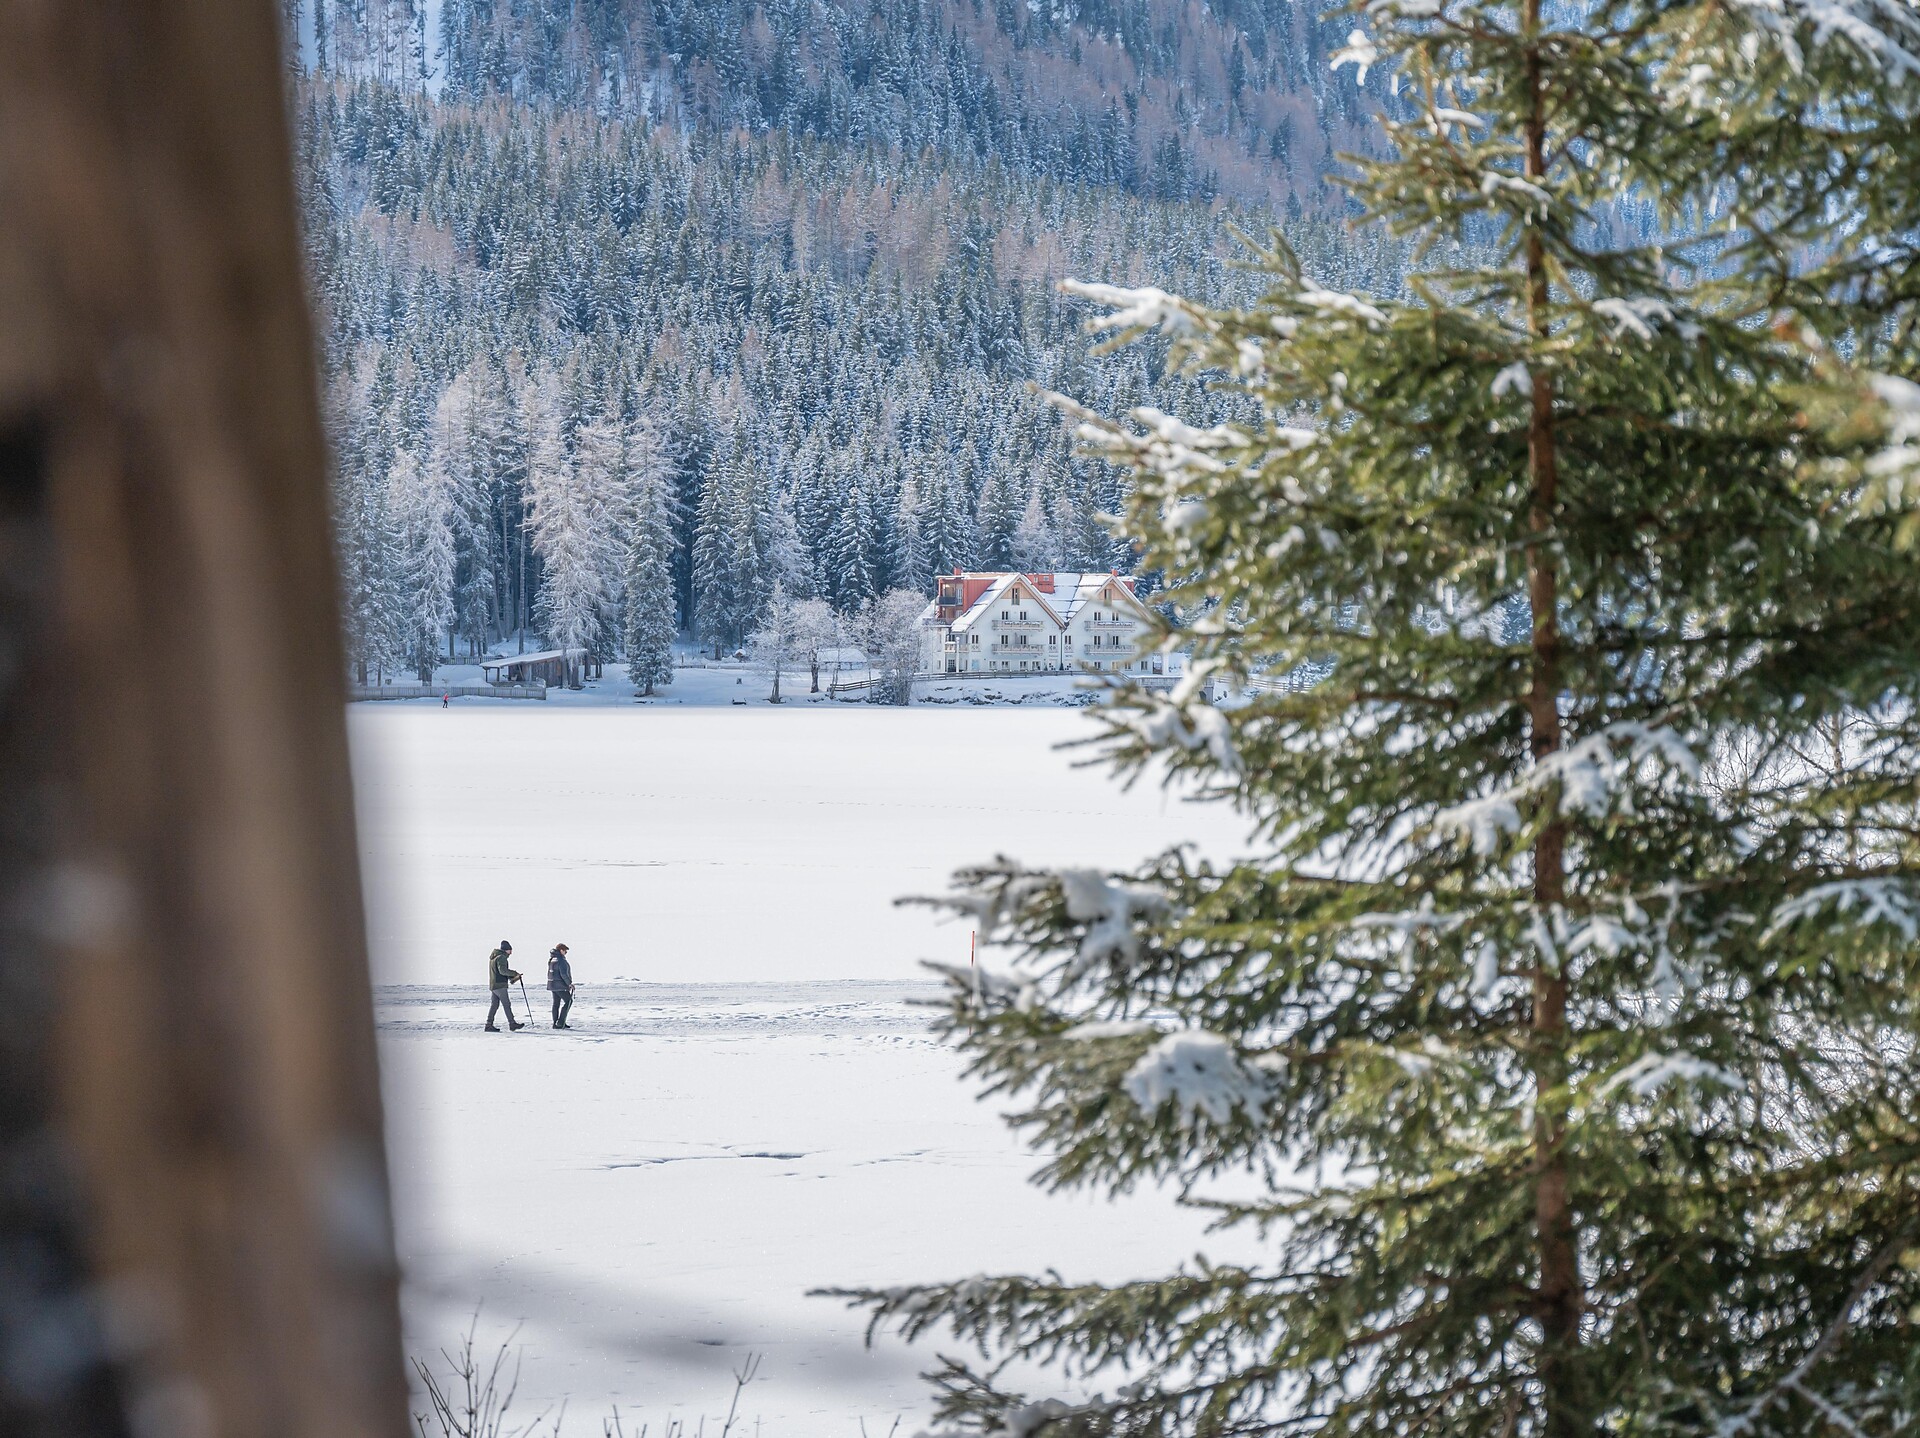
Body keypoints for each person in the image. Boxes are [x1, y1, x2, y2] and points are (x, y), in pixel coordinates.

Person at [485, 940, 522, 1031]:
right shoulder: (501, 957)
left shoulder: (494, 957)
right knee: (506, 1004)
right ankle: (512, 1024)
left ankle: (488, 1025)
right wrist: (514, 974)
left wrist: (512, 977)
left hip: (494, 985)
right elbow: (503, 971)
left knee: (494, 1005)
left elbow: (500, 971)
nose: (511, 953)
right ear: (506, 950)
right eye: (510, 950)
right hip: (500, 985)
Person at [547, 943, 575, 1028]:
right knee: (569, 1001)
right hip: (560, 986)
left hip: (552, 985)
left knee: (556, 1004)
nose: (566, 952)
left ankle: (555, 1023)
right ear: (561, 950)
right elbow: (564, 974)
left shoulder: (552, 959)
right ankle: (561, 1022)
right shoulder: (561, 960)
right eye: (565, 951)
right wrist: (569, 984)